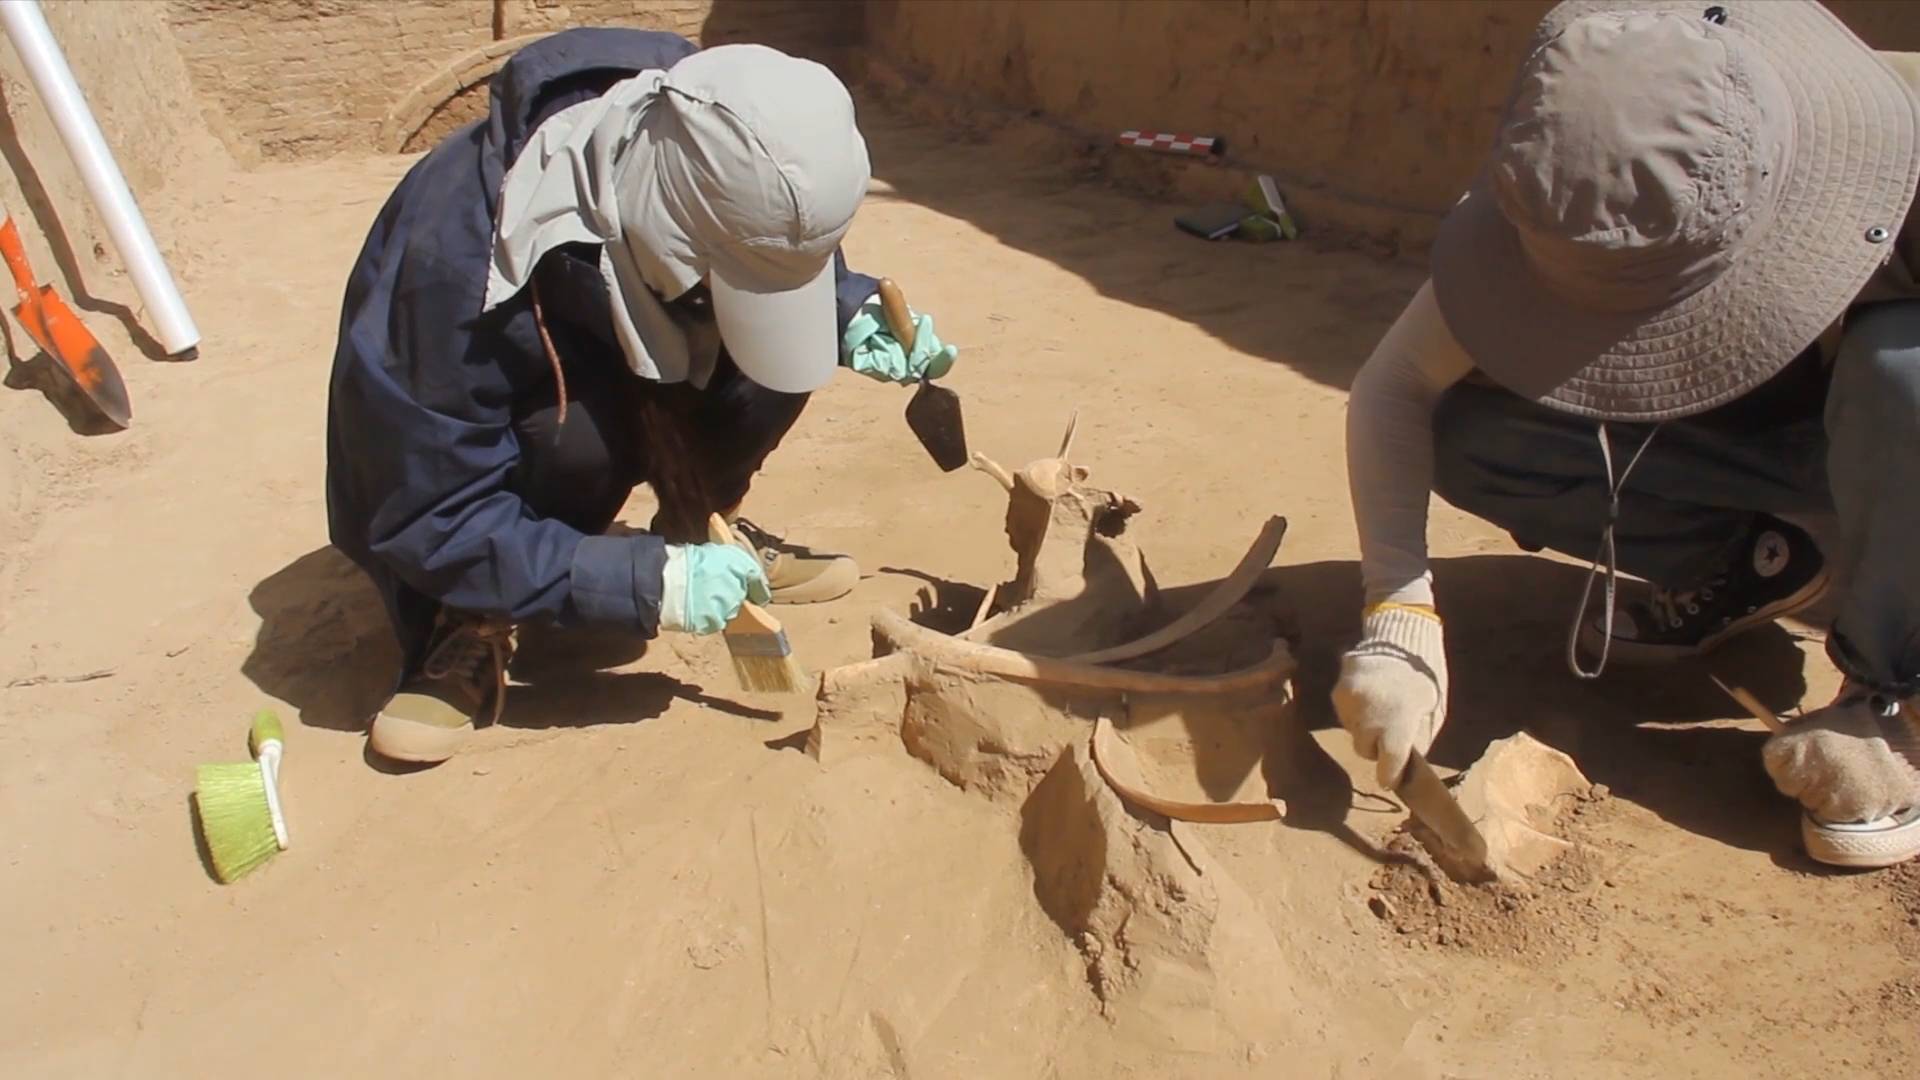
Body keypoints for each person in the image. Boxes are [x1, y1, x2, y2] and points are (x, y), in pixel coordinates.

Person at [1331, 0, 1920, 868]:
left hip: (1888, 443)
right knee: (1477, 430)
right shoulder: (1574, 160)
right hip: (1768, 437)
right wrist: (1398, 611)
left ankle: (1889, 690)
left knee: (1901, 367)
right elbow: (1395, 387)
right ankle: (1758, 559)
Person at [325, 29, 957, 764]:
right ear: (671, 236)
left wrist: (846, 310)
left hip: (643, 305)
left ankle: (708, 535)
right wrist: (640, 583)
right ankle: (470, 613)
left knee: (776, 359)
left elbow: (775, 240)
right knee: (579, 441)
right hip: (497, 449)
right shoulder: (452, 259)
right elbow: (430, 505)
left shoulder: (741, 134)